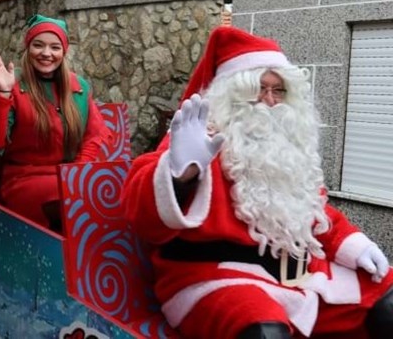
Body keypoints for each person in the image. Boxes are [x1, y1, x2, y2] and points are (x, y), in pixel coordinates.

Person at [120, 26, 393, 339]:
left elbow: (316, 212)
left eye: (279, 91)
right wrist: (180, 172)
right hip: (216, 278)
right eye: (258, 90)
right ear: (232, 95)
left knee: (387, 303)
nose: (270, 101)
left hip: (299, 278)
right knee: (263, 331)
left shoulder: (287, 149)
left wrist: (353, 244)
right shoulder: (196, 139)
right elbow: (140, 211)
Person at [0, 14, 109, 232]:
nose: (46, 53)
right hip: (24, 179)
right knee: (61, 199)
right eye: (38, 45)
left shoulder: (79, 87)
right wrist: (3, 93)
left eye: (55, 47)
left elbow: (93, 136)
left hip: (67, 176)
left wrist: (76, 175)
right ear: (28, 49)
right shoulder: (14, 82)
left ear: (63, 52)